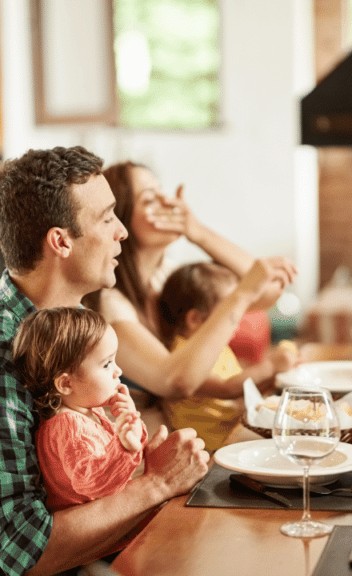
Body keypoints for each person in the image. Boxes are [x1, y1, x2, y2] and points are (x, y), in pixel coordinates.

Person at [0, 146, 209, 575]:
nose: (122, 233)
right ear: (60, 241)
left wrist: (142, 471)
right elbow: (19, 550)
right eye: (107, 218)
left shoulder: (73, 327)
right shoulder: (6, 350)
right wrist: (157, 483)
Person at [85, 161, 297, 405]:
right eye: (149, 199)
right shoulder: (111, 303)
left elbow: (268, 290)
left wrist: (198, 232)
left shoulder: (165, 275)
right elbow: (177, 381)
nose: (169, 203)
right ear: (120, 220)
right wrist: (243, 292)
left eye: (162, 192)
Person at [155, 261, 298, 450]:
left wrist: (271, 377)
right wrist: (271, 366)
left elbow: (240, 385)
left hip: (234, 431)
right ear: (195, 319)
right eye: (228, 309)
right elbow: (227, 388)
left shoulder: (218, 347)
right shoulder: (184, 357)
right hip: (210, 449)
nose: (238, 316)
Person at [13, 308, 146, 511]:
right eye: (107, 364)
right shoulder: (67, 425)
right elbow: (91, 482)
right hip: (106, 536)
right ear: (66, 383)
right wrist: (124, 446)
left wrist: (130, 425)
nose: (118, 371)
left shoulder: (88, 413)